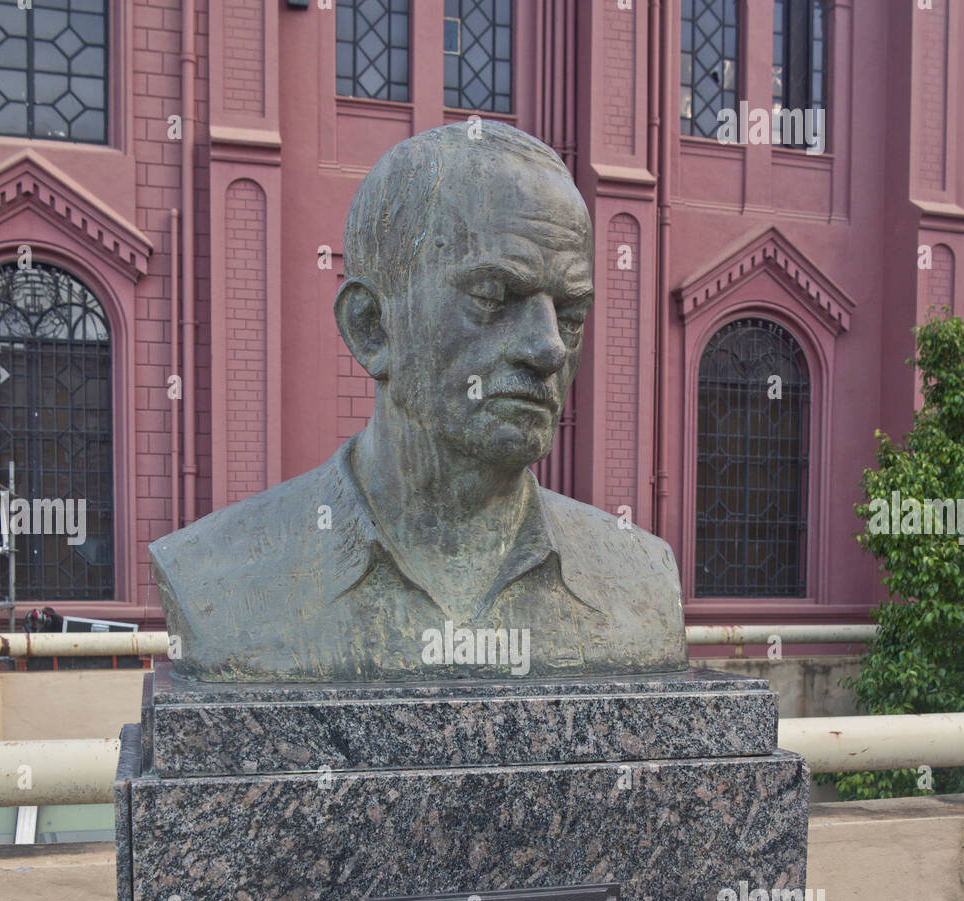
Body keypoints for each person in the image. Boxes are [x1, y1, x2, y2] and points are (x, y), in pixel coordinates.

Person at [151, 122, 688, 683]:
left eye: (570, 315)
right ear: (371, 328)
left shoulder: (640, 579)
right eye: (492, 297)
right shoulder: (215, 576)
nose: (549, 348)